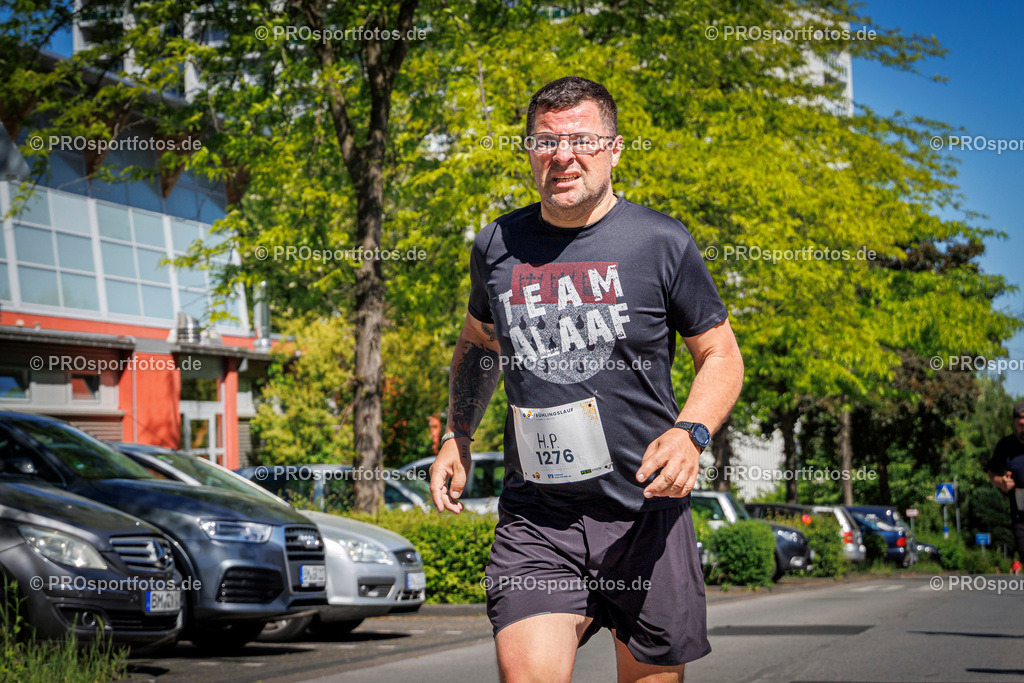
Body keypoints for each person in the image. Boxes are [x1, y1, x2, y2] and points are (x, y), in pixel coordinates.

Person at [429, 76, 744, 683]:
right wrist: (457, 435)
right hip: (537, 518)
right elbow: (478, 343)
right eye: (545, 142)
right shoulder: (498, 244)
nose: (562, 157)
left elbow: (722, 356)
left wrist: (691, 432)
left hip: (646, 513)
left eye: (580, 140)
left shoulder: (660, 241)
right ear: (528, 152)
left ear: (615, 148)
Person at [986, 400, 1024, 562]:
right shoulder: (1006, 446)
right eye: (1020, 425)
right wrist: (1001, 482)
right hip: (1020, 513)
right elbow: (992, 473)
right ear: (1015, 423)